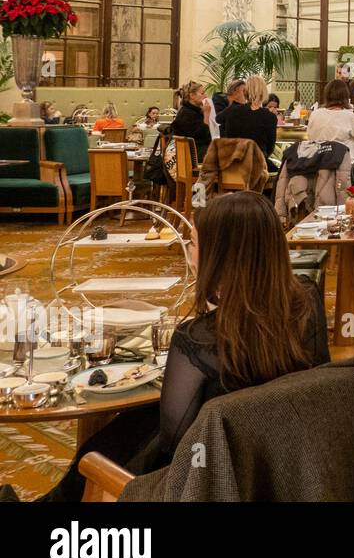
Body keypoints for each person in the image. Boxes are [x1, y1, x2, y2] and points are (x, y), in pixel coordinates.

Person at [32, 191, 328, 501]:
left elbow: (173, 445)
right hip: (289, 464)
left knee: (101, 451)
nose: (188, 250)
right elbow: (318, 376)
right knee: (130, 427)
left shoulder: (196, 339)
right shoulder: (307, 299)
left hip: (208, 480)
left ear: (220, 255)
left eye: (194, 243)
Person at [306, 78, 354, 178]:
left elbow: (309, 136)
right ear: (345, 96)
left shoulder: (315, 114)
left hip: (318, 165)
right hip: (344, 167)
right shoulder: (349, 116)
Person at [218, 75, 278, 162]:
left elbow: (219, 123)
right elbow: (270, 148)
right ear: (264, 92)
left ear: (245, 92)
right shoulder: (270, 117)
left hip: (233, 164)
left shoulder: (231, 111)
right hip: (257, 165)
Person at [171, 81, 213, 163]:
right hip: (193, 158)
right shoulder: (187, 114)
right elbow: (204, 136)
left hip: (195, 153)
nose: (206, 96)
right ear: (192, 96)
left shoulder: (192, 111)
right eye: (202, 93)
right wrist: (207, 114)